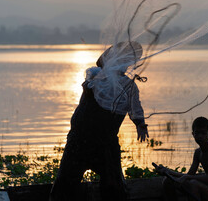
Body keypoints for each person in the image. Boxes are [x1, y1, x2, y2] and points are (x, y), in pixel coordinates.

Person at [49, 41, 149, 201]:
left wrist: (140, 123)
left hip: (106, 144)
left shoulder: (128, 86)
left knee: (114, 186)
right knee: (64, 185)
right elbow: (89, 84)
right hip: (80, 140)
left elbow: (135, 107)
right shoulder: (95, 78)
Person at [155, 116, 208, 201]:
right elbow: (190, 174)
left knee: (193, 184)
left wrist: (186, 178)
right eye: (197, 133)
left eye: (203, 133)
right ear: (193, 134)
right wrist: (167, 171)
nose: (200, 136)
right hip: (207, 186)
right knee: (167, 181)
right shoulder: (198, 153)